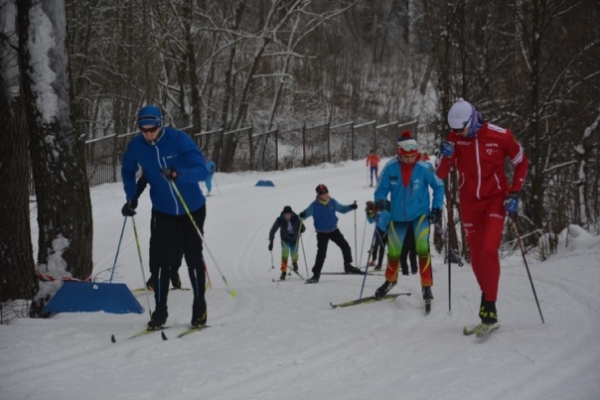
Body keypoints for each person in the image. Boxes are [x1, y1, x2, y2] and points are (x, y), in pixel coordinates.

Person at [436, 98, 528, 331]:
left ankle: (490, 304)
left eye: (461, 129)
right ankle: (486, 296)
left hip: (496, 200)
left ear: (473, 119)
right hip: (469, 203)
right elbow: (441, 174)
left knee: (489, 248)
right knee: (476, 256)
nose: (458, 133)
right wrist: (445, 156)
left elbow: (522, 162)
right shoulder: (455, 137)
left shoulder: (501, 136)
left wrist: (515, 193)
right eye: (454, 130)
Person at [121, 105, 209, 330]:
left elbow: (202, 170)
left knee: (192, 258)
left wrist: (179, 174)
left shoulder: (179, 140)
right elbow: (128, 170)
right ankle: (160, 312)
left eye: (153, 129)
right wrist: (132, 197)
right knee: (161, 262)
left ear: (161, 125)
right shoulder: (136, 146)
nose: (148, 134)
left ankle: (199, 307)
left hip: (192, 208)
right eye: (144, 130)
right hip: (163, 211)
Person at [374, 131, 445, 301]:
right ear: (399, 153)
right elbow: (380, 190)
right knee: (394, 251)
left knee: (422, 247)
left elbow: (439, 186)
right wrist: (381, 203)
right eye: (406, 157)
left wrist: (436, 208)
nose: (410, 159)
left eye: (412, 156)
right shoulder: (390, 167)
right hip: (397, 216)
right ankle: (390, 280)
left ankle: (426, 285)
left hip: (420, 215)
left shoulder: (424, 167)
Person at [299, 184, 362, 283]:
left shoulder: (332, 202)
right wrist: (302, 215)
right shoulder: (314, 205)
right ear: (319, 195)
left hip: (333, 230)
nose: (325, 195)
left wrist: (351, 207)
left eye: (326, 192)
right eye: (323, 193)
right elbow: (305, 214)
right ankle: (316, 275)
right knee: (321, 254)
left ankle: (348, 266)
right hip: (322, 233)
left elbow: (342, 209)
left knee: (345, 246)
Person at [136, 173, 183, 290]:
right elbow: (143, 180)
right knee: (157, 242)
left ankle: (174, 271)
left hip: (181, 209)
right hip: (160, 210)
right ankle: (155, 276)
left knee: (179, 242)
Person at [268, 206, 306, 280]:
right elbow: (272, 230)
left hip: (294, 239)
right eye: (286, 214)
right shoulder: (280, 220)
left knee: (294, 253)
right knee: (285, 254)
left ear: (291, 213)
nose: (287, 216)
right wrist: (271, 242)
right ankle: (283, 272)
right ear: (283, 214)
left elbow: (303, 228)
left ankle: (294, 263)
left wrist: (301, 228)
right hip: (285, 239)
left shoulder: (296, 218)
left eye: (289, 214)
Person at [365, 201, 390, 271]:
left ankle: (381, 264)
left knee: (383, 248)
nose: (377, 209)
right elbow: (371, 221)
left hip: (386, 232)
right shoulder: (376, 213)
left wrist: (387, 229)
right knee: (376, 246)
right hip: (378, 231)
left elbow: (390, 223)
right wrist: (368, 214)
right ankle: (375, 261)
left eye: (378, 208)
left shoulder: (386, 214)